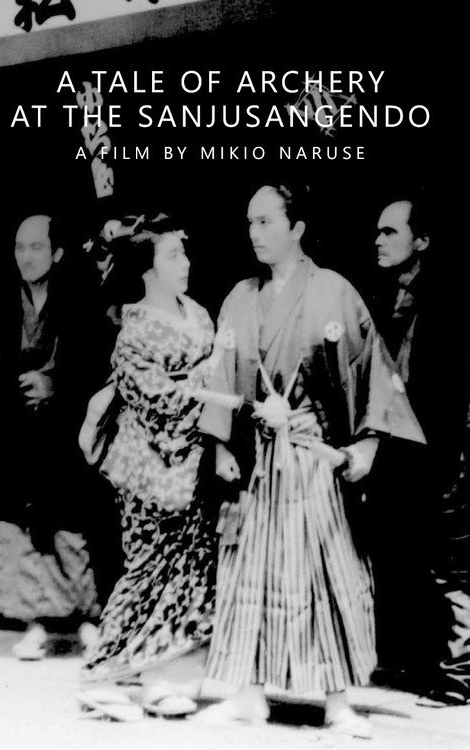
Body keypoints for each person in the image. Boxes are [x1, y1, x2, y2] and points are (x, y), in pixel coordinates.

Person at [195, 183, 425, 739]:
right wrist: (221, 445)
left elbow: (372, 369)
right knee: (251, 572)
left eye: (266, 221)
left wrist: (365, 445)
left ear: (296, 228)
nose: (255, 233)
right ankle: (248, 694)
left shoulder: (333, 291)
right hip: (258, 459)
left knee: (325, 570)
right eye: (250, 222)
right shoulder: (240, 296)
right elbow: (221, 374)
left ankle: (337, 700)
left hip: (312, 456)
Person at [80, 214, 217, 718]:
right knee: (145, 570)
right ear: (147, 269)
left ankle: (163, 678)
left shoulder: (198, 314)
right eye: (173, 256)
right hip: (148, 464)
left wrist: (208, 382)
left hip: (194, 462)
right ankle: (101, 674)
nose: (185, 263)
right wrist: (213, 381)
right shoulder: (133, 332)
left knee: (188, 572)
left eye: (184, 253)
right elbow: (163, 401)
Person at [0, 214, 100, 659]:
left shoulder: (81, 302)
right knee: (23, 524)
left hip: (66, 431)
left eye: (36, 247)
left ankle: (85, 617)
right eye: (19, 247)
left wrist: (55, 386)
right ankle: (34, 622)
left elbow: (96, 365)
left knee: (70, 522)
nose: (26, 257)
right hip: (17, 432)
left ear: (57, 252)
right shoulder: (0, 305)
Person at [372, 196, 470, 700]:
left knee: (448, 561)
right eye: (378, 231)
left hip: (441, 448)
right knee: (399, 551)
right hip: (397, 447)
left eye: (391, 231)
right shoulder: (382, 296)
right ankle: (407, 663)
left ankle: (458, 675)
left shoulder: (451, 299)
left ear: (423, 241)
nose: (379, 240)